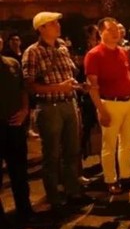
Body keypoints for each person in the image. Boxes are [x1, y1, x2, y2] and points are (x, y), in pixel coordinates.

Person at [22, 12, 89, 210]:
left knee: (72, 151)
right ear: (41, 28)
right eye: (53, 23)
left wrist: (77, 86)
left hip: (69, 103)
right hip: (49, 107)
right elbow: (30, 85)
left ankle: (73, 191)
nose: (58, 25)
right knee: (51, 154)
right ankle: (54, 196)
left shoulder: (62, 47)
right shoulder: (32, 52)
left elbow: (68, 76)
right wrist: (59, 87)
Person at [84, 17, 130, 195]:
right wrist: (101, 110)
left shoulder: (123, 52)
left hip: (128, 101)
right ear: (101, 32)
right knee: (109, 145)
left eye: (117, 29)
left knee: (128, 142)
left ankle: (126, 176)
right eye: (111, 30)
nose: (116, 33)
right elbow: (93, 86)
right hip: (109, 102)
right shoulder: (94, 55)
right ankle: (111, 180)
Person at [0, 43, 32, 229]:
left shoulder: (12, 63)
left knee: (19, 171)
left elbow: (23, 90)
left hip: (15, 124)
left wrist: (25, 110)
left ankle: (25, 211)